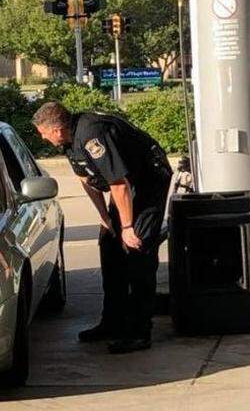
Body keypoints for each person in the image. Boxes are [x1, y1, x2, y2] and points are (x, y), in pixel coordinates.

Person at [32, 101, 172, 354]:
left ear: (55, 129)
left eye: (42, 132)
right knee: (109, 245)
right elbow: (87, 179)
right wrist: (105, 218)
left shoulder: (92, 134)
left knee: (137, 249)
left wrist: (128, 227)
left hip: (147, 179)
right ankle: (112, 321)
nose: (42, 137)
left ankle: (140, 331)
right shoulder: (69, 141)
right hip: (125, 186)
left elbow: (118, 184)